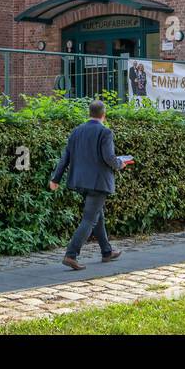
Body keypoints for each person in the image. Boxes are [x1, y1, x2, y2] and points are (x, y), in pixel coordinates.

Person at [49, 98, 129, 270]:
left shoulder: (77, 131)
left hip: (80, 182)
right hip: (98, 183)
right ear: (104, 115)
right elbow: (109, 158)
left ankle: (106, 251)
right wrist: (120, 164)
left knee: (96, 215)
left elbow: (66, 158)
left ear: (89, 114)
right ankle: (71, 255)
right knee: (89, 219)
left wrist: (55, 179)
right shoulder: (105, 132)